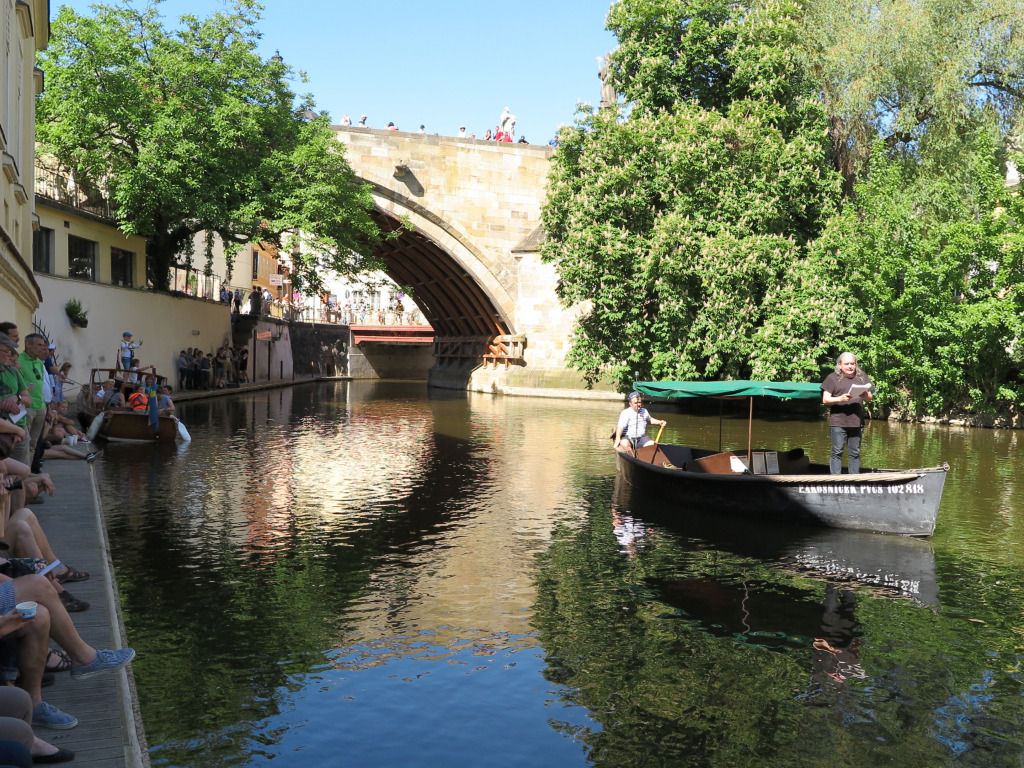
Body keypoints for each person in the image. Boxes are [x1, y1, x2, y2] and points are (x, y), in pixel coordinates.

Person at [820, 352, 874, 475]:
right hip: (838, 422)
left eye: (852, 364)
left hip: (857, 422)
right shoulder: (832, 378)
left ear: (855, 365)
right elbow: (825, 399)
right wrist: (840, 399)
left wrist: (866, 395)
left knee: (855, 453)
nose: (850, 366)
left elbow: (869, 397)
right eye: (846, 364)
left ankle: (853, 479)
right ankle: (835, 480)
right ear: (840, 365)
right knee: (837, 452)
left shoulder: (862, 376)